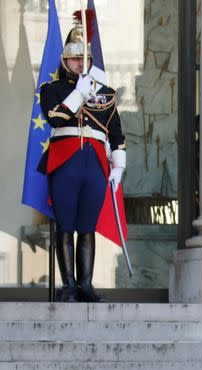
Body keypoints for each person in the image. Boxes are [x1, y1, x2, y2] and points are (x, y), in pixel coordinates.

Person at [38, 14, 125, 303]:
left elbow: (116, 131)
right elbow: (55, 118)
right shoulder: (53, 90)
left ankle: (86, 284)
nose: (79, 63)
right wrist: (78, 94)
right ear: (65, 61)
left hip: (95, 163)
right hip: (65, 161)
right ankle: (69, 286)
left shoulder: (105, 93)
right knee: (66, 224)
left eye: (83, 59)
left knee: (87, 225)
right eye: (74, 59)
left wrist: (119, 165)